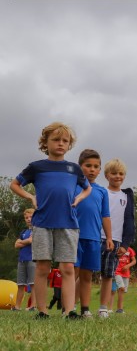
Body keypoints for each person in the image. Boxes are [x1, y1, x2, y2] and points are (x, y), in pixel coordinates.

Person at [10, 122, 91, 319]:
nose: (60, 143)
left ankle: (69, 311)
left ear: (69, 144)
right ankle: (42, 311)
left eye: (65, 140)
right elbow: (14, 184)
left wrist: (79, 198)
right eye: (56, 139)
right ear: (45, 143)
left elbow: (87, 188)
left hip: (68, 224)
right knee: (42, 267)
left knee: (67, 268)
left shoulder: (73, 169)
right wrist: (30, 197)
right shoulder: (36, 167)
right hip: (42, 223)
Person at [74, 149, 114, 318]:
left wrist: (109, 237)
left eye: (96, 166)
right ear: (80, 166)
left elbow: (105, 216)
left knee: (87, 276)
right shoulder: (72, 186)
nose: (92, 169)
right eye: (88, 165)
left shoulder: (102, 191)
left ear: (100, 170)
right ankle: (67, 309)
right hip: (72, 236)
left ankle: (85, 309)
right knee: (71, 273)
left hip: (93, 238)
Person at [98, 159, 135, 318]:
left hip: (116, 240)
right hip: (96, 237)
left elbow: (130, 221)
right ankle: (75, 306)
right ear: (106, 175)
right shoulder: (100, 192)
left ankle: (103, 308)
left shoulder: (126, 195)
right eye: (114, 173)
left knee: (108, 274)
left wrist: (125, 244)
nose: (117, 176)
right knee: (84, 272)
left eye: (121, 173)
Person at [13, 208, 36, 311]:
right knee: (20, 285)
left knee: (33, 284)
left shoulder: (37, 229)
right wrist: (25, 241)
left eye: (30, 217)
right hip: (21, 260)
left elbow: (31, 241)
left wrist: (22, 242)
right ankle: (17, 307)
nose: (28, 219)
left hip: (32, 259)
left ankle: (33, 306)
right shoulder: (23, 231)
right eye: (26, 217)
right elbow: (16, 244)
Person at [113, 246, 136, 314]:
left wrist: (128, 266)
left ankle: (120, 309)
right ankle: (119, 309)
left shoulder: (130, 249)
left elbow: (134, 261)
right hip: (117, 271)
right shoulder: (116, 247)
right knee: (121, 288)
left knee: (123, 291)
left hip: (126, 273)